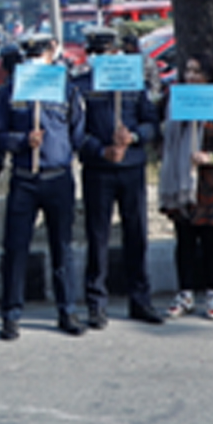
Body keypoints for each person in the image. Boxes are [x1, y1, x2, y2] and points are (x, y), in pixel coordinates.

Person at [0, 37, 87, 339]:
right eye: (30, 55)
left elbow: (77, 133)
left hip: (57, 176)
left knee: (62, 247)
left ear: (51, 54)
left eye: (40, 54)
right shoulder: (9, 92)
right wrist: (22, 141)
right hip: (24, 177)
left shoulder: (66, 89)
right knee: (16, 248)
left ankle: (67, 310)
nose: (36, 59)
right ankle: (11, 314)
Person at [73, 26, 163, 327]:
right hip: (99, 170)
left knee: (136, 235)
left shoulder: (133, 83)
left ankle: (141, 300)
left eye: (107, 52)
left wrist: (134, 137)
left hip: (132, 168)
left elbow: (152, 123)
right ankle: (96, 303)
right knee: (97, 238)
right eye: (96, 53)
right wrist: (101, 150)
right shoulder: (80, 85)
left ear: (116, 53)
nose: (102, 58)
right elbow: (76, 132)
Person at [159, 55, 213, 321]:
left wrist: (212, 157)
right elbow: (161, 132)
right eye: (188, 70)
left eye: (197, 71)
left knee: (210, 239)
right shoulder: (174, 99)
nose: (191, 76)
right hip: (180, 181)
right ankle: (185, 293)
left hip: (209, 182)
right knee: (184, 239)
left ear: (210, 75)